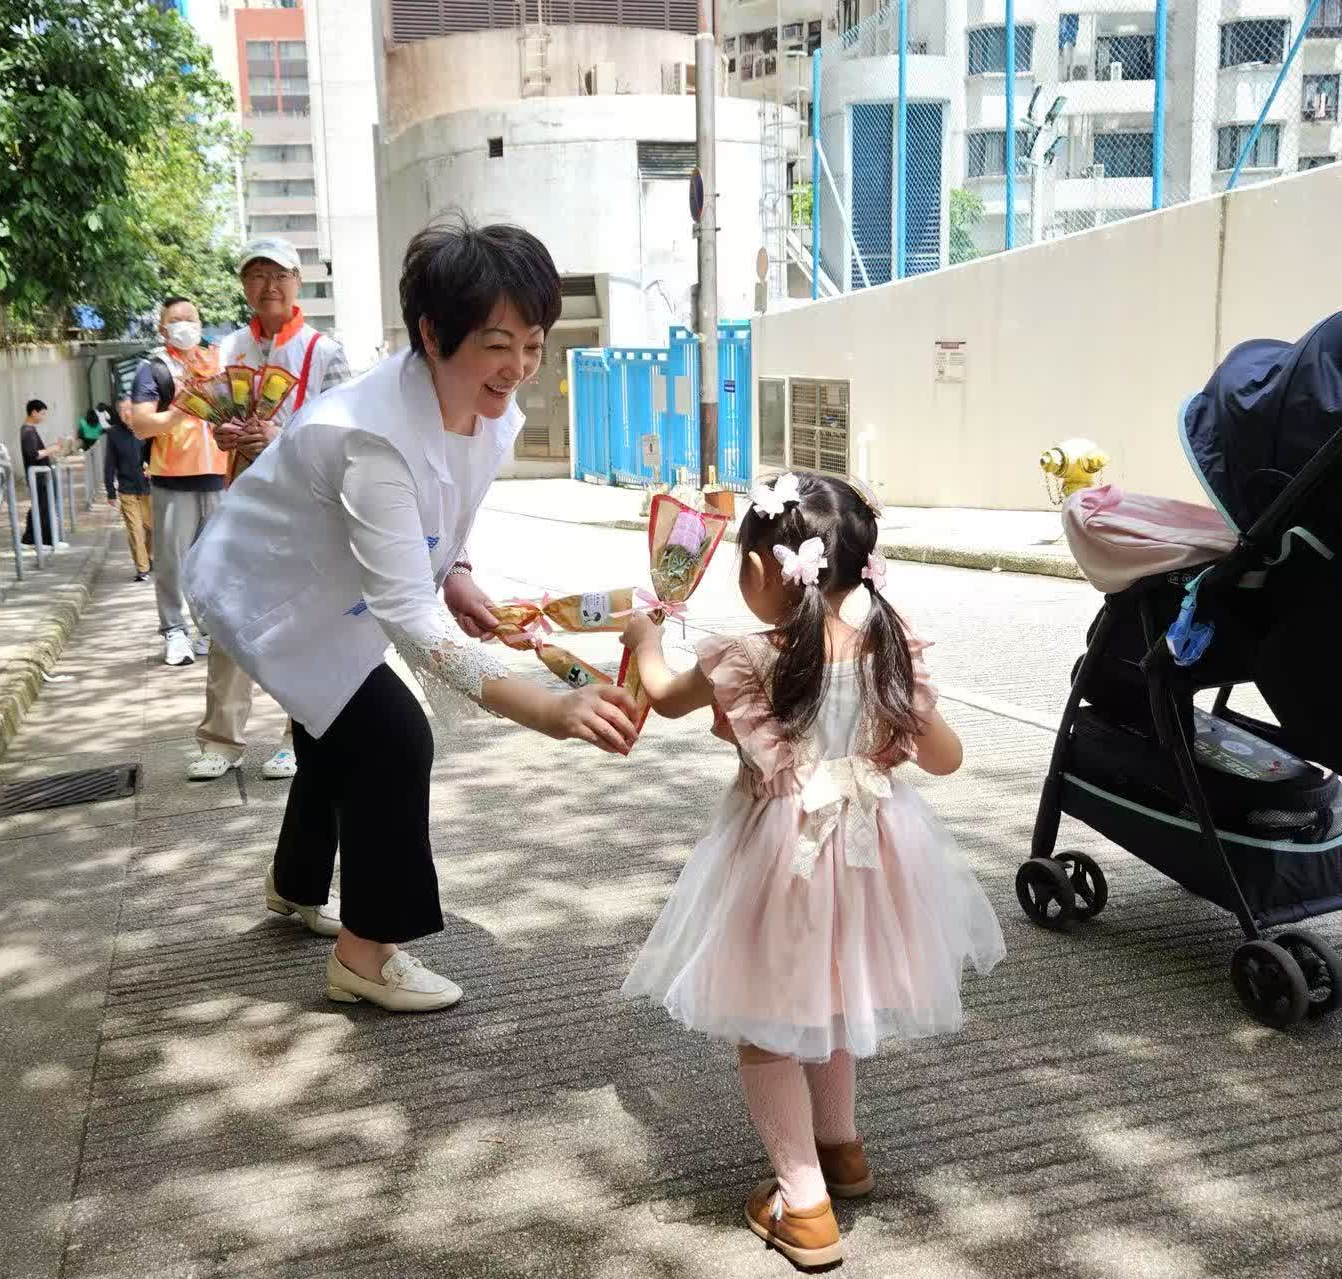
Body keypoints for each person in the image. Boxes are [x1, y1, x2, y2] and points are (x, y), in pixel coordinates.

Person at [184, 221, 640, 1012]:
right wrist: (544, 706)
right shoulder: (370, 438)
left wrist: (457, 573)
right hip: (269, 593)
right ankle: (366, 954)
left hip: (336, 585)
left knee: (333, 731)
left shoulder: (488, 407)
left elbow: (448, 505)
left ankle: (295, 883)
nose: (518, 367)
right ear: (432, 333)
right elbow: (405, 612)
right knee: (392, 737)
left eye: (533, 344)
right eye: (497, 344)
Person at [618, 472, 1006, 1270]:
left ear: (764, 570)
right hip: (873, 851)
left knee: (766, 1024)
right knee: (830, 995)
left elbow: (660, 694)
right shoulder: (886, 651)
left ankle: (802, 1205)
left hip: (782, 858)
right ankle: (841, 1149)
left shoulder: (746, 658)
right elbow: (946, 758)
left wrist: (644, 638)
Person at [183, 235, 352, 783]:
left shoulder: (323, 350)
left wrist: (282, 436)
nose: (269, 285)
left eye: (279, 275)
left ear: (297, 283)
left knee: (301, 619)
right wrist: (223, 433)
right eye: (257, 275)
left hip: (305, 503)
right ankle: (220, 739)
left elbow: (344, 429)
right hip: (243, 501)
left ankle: (294, 738)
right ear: (244, 286)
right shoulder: (229, 347)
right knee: (227, 611)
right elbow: (214, 413)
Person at [129, 297, 226, 669]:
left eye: (191, 318)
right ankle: (174, 630)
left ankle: (209, 630)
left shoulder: (216, 363)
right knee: (171, 562)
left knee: (213, 562)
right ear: (163, 328)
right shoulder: (154, 369)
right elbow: (141, 425)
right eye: (176, 320)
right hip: (173, 479)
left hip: (218, 476)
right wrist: (182, 407)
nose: (185, 325)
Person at [103, 397, 154, 582]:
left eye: (129, 409)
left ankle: (147, 558)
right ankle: (142, 568)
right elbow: (109, 464)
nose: (126, 413)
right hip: (127, 490)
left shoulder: (146, 429)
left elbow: (155, 454)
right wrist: (110, 490)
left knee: (151, 529)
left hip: (147, 488)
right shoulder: (113, 434)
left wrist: (152, 467)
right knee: (135, 530)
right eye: (122, 410)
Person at [19, 399, 65, 548]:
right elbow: (34, 454)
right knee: (43, 507)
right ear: (34, 412)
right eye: (42, 413)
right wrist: (54, 448)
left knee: (39, 507)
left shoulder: (29, 430)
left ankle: (30, 539)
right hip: (38, 476)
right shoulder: (28, 431)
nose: (44, 417)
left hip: (39, 475)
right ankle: (44, 540)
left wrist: (52, 449)